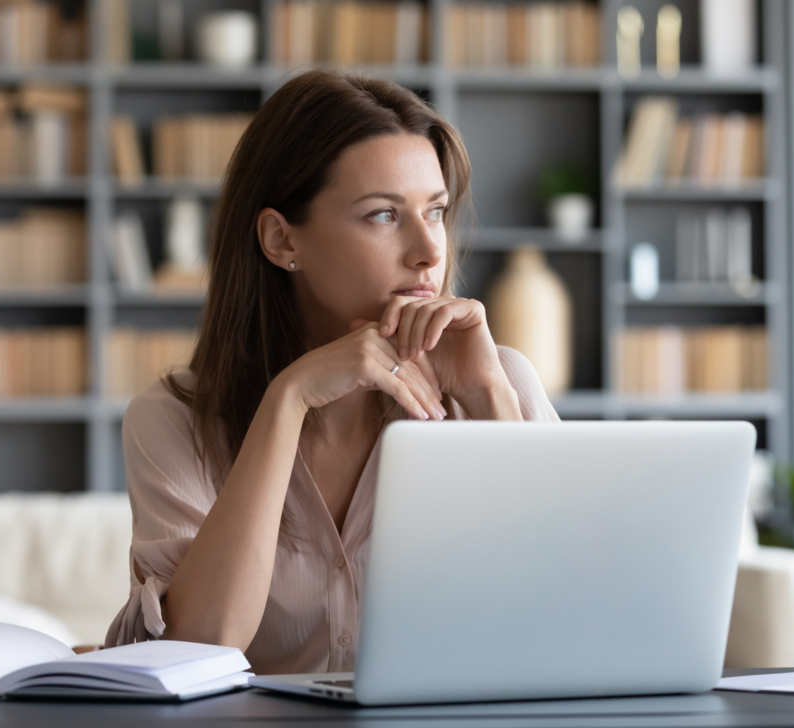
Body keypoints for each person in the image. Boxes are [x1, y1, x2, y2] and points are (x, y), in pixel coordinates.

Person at [105, 69, 560, 674]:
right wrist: (287, 400)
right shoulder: (173, 419)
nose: (429, 249)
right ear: (280, 239)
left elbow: (564, 613)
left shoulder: (497, 380)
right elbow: (200, 645)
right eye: (382, 215)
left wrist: (487, 398)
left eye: (437, 211)